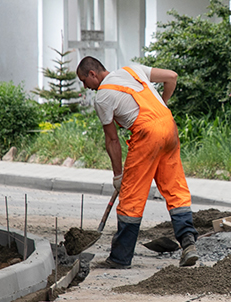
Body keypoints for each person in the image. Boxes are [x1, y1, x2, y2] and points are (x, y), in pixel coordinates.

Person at [76, 56, 199, 268]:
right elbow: (172, 77)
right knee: (175, 188)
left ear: (92, 74)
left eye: (84, 81)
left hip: (147, 135)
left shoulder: (103, 97)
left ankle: (120, 258)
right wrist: (164, 104)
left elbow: (112, 140)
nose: (86, 87)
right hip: (169, 126)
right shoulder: (132, 70)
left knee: (131, 197)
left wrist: (118, 176)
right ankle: (188, 242)